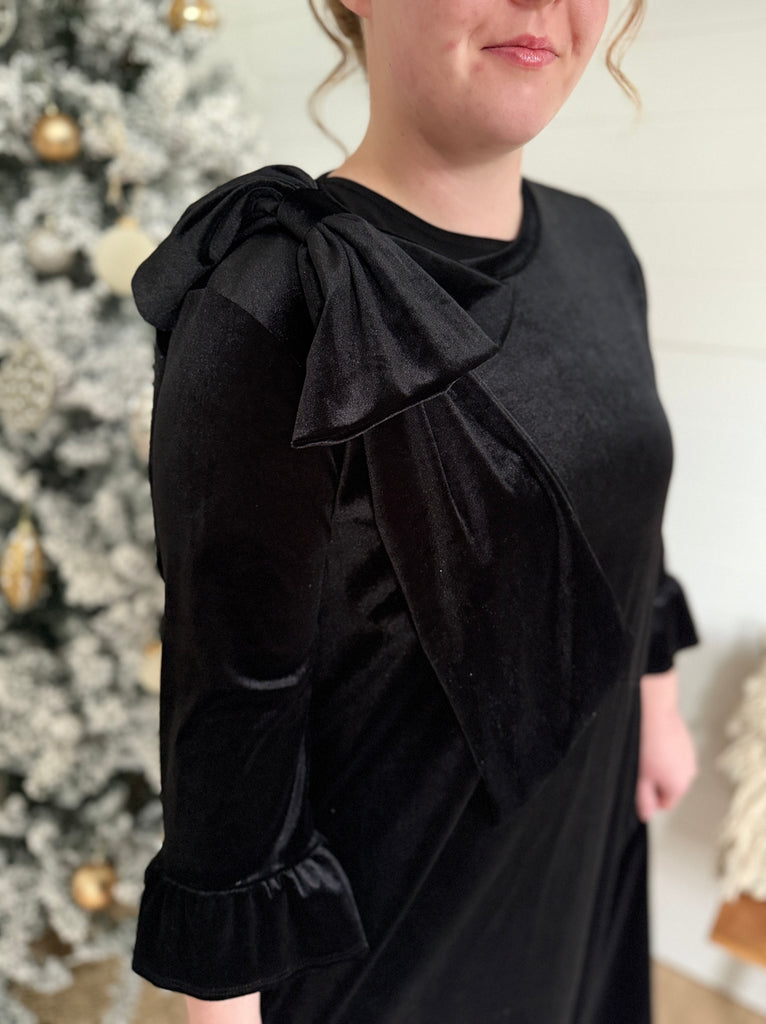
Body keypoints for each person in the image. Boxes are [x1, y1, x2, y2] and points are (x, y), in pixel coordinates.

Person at [129, 0, 700, 1021]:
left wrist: (656, 702)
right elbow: (231, 709)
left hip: (580, 855)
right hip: (394, 946)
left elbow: (627, 510)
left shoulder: (601, 247)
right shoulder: (273, 302)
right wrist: (220, 1006)